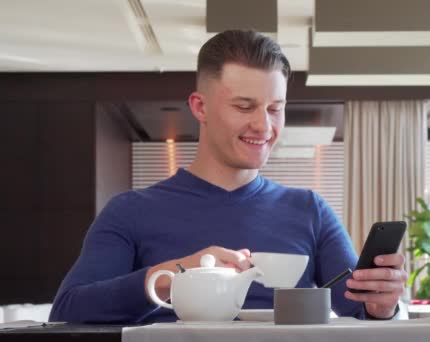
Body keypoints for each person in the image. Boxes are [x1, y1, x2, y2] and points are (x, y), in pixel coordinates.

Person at [49, 30, 407, 323]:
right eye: (244, 106)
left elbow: (362, 311)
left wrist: (384, 305)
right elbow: (69, 309)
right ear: (199, 107)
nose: (263, 126)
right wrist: (174, 276)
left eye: (274, 109)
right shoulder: (130, 211)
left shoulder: (310, 210)